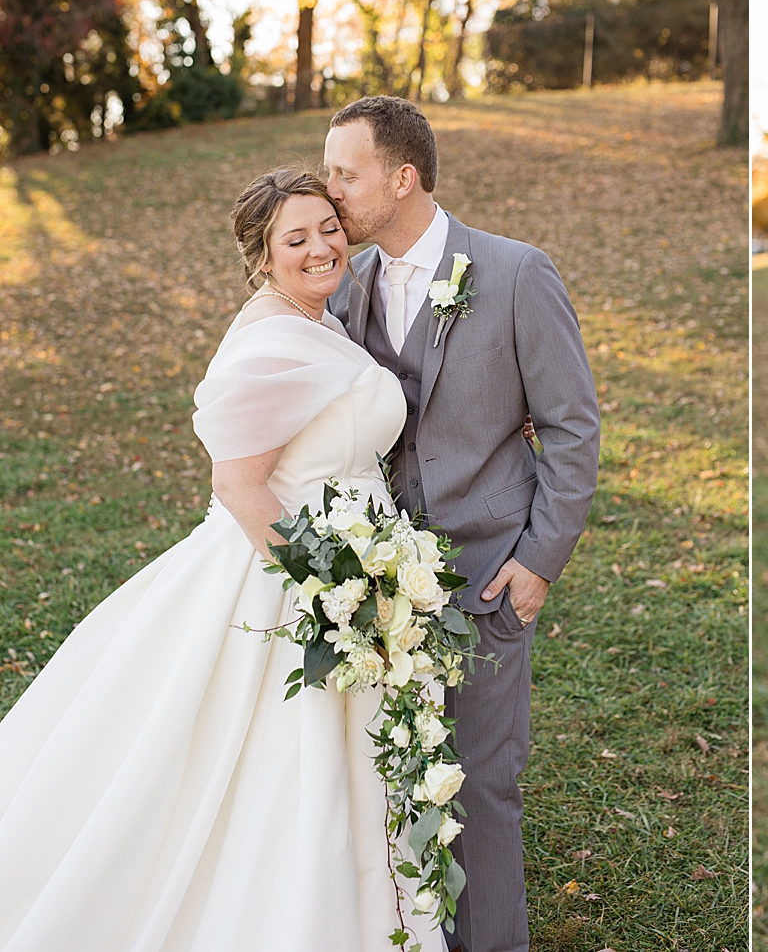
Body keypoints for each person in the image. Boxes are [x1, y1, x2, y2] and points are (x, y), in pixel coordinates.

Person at [0, 170, 444, 951]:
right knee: (276, 769)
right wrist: (332, 590)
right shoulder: (274, 338)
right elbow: (239, 486)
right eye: (294, 238)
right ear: (263, 258)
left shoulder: (318, 321)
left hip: (357, 565)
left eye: (328, 227)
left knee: (353, 759)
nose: (320, 247)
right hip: (293, 582)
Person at [323, 95, 600, 952]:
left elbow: (572, 426)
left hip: (488, 580)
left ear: (402, 178)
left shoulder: (516, 273)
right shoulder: (347, 288)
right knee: (393, 780)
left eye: (345, 173)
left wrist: (539, 562)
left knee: (480, 786)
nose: (329, 191)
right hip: (376, 592)